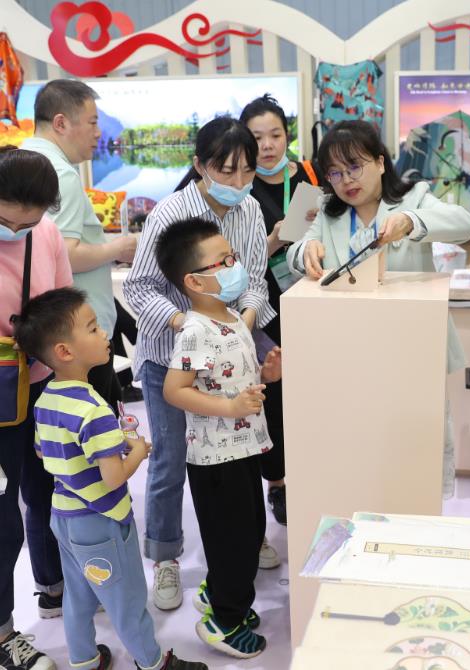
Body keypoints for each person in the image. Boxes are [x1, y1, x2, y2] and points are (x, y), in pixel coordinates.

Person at [123, 116, 278, 611]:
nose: (238, 181)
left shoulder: (250, 209)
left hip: (230, 354)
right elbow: (139, 287)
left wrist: (241, 323)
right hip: (172, 355)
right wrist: (189, 324)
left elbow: (254, 280)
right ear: (200, 165)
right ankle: (166, 556)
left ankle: (246, 538)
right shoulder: (171, 212)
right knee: (171, 459)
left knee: (238, 449)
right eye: (226, 170)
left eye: (247, 170)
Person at [14, 288, 207, 670]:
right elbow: (113, 479)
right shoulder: (94, 410)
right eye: (92, 328)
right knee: (127, 598)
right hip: (101, 521)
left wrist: (104, 447)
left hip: (64, 516)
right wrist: (137, 449)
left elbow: (42, 452)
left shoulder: (46, 399)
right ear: (65, 351)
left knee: (78, 595)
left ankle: (84, 660)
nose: (105, 333)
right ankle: (153, 662)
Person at [286, 119, 470, 497]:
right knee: (361, 446)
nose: (346, 180)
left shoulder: (414, 196)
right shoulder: (327, 211)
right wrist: (305, 250)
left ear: (380, 162)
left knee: (412, 453)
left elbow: (463, 225)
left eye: (355, 166)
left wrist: (412, 221)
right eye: (335, 173)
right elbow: (295, 251)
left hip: (409, 347)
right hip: (351, 350)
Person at [156, 218, 282, 658]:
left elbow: (232, 378)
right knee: (233, 543)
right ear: (194, 281)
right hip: (215, 460)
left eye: (233, 257)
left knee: (249, 532)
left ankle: (220, 595)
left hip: (244, 447)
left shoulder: (232, 318)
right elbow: (174, 390)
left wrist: (267, 374)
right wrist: (229, 408)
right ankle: (224, 622)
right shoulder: (195, 330)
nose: (235, 266)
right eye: (224, 262)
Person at [21, 79, 136, 411]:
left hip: (50, 332)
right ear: (61, 123)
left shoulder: (23, 162)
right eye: (92, 122)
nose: (98, 133)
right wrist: (118, 249)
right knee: (95, 425)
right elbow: (65, 255)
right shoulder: (61, 175)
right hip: (78, 334)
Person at [0, 147, 69, 670]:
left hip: (41, 385)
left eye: (28, 222)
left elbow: (63, 303)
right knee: (3, 520)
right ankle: (3, 633)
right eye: (6, 222)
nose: (17, 231)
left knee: (48, 492)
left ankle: (54, 586)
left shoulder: (45, 233)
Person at [239, 94, 320, 525]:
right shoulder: (238, 185)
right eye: (257, 138)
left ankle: (312, 470)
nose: (268, 146)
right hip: (262, 308)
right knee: (273, 395)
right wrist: (271, 243)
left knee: (311, 391)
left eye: (275, 135)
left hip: (311, 302)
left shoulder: (310, 175)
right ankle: (277, 482)